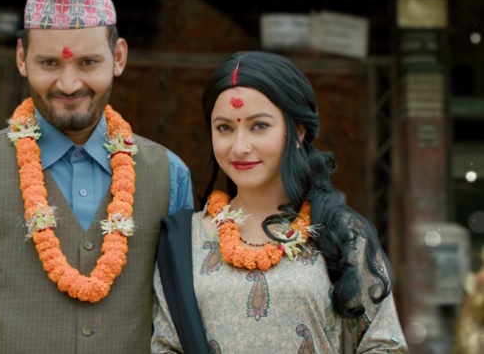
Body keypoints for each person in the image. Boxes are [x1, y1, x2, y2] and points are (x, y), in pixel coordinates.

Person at [0, 0, 194, 353]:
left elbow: (181, 324)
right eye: (49, 63)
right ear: (21, 58)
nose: (69, 84)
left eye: (88, 63)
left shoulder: (169, 176)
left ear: (118, 57)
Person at [151, 51, 408, 353]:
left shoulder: (340, 234)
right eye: (225, 128)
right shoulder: (184, 241)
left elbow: (385, 344)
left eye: (259, 126)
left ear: (298, 132)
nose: (240, 146)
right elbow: (166, 345)